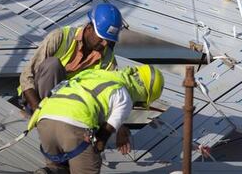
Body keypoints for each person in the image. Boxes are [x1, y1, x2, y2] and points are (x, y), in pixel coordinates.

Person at [29, 65, 164, 174]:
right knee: (89, 166)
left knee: (58, 166)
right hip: (73, 125)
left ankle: (49, 172)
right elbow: (102, 138)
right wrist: (95, 150)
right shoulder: (125, 96)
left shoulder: (96, 74)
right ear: (145, 93)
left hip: (45, 119)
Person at [19, 3, 123, 112]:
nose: (105, 44)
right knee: (52, 64)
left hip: (71, 105)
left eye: (109, 41)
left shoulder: (108, 61)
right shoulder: (60, 37)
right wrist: (37, 108)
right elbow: (27, 74)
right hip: (39, 97)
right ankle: (43, 111)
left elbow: (110, 93)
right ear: (89, 28)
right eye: (101, 39)